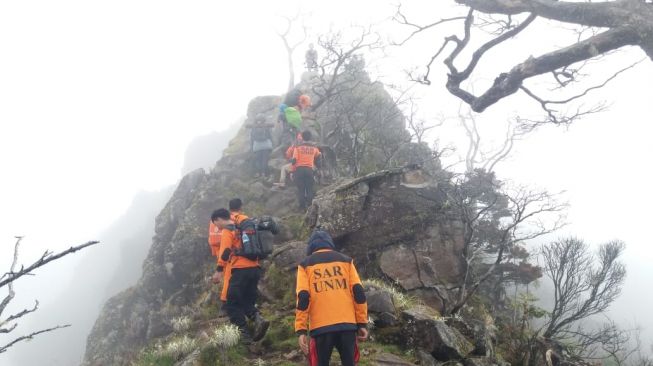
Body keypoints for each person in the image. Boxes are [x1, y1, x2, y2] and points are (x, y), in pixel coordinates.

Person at [295, 230, 368, 366]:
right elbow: (358, 293)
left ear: (311, 246)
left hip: (320, 328)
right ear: (329, 243)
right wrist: (362, 323)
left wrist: (301, 330)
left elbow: (303, 297)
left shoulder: (305, 265)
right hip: (348, 325)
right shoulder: (346, 261)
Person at [213, 208, 269, 344]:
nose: (217, 227)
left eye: (216, 223)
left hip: (240, 270)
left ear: (219, 219)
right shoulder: (242, 226)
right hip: (255, 268)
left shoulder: (228, 230)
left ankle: (244, 335)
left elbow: (225, 250)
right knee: (246, 300)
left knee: (231, 303)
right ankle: (258, 319)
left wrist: (219, 270)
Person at [292, 130, 321, 210]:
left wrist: (292, 171)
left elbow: (294, 160)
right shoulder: (314, 148)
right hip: (309, 170)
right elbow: (319, 156)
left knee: (301, 189)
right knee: (309, 188)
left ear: (302, 138)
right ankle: (310, 207)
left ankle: (301, 207)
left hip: (299, 170)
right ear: (310, 137)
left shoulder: (297, 148)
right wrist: (318, 167)